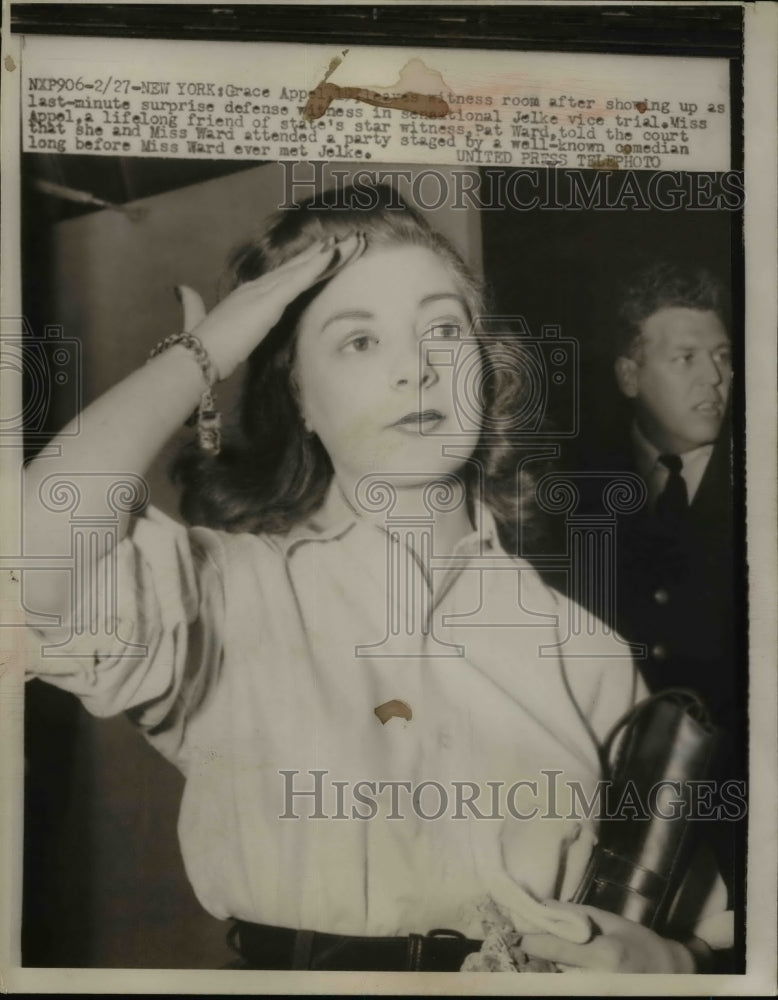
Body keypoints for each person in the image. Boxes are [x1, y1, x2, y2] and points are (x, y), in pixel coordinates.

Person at [22, 189, 727, 972]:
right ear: (300, 397)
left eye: (444, 330)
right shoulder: (229, 598)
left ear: (487, 373)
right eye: (358, 341)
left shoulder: (583, 649)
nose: (415, 370)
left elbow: (706, 910)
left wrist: (675, 961)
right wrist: (201, 358)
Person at [573, 260, 742, 948]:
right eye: (686, 358)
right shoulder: (569, 493)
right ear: (629, 376)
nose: (716, 378)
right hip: (608, 835)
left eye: (723, 357)